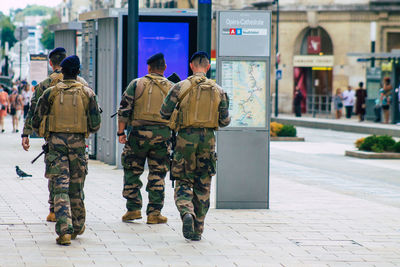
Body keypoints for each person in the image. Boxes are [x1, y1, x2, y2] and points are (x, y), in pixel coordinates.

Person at [160, 51, 231, 241]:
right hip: (208, 140)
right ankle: (198, 228)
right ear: (207, 66)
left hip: (185, 139)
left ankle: (186, 212)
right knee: (203, 183)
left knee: (183, 180)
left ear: (191, 65)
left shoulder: (179, 87)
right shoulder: (219, 90)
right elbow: (224, 121)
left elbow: (164, 112)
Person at [32, 55, 101, 245]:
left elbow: (36, 120)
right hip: (78, 146)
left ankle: (64, 230)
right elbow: (96, 124)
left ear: (61, 71)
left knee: (60, 187)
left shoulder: (50, 93)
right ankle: (77, 225)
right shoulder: (88, 93)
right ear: (78, 72)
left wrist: (47, 133)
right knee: (76, 187)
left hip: (55, 145)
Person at [21, 47, 88, 223]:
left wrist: (26, 134)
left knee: (56, 175)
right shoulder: (83, 83)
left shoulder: (45, 85)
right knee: (76, 176)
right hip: (78, 139)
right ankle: (75, 213)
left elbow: (34, 112)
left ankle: (54, 210)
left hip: (54, 138)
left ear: (51, 63)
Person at [117, 53, 172, 224]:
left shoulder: (137, 83)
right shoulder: (172, 87)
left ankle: (133, 209)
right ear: (164, 68)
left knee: (132, 171)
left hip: (138, 135)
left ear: (148, 68)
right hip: (162, 136)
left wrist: (121, 133)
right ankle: (154, 213)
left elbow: (124, 110)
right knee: (158, 173)